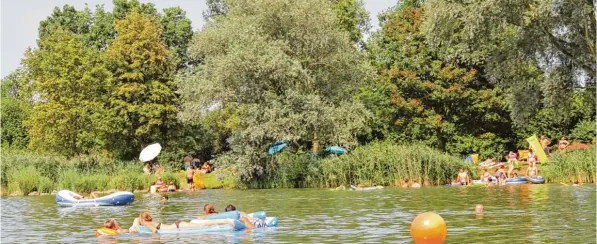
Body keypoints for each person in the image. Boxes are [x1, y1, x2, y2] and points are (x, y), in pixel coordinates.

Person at [132, 211, 233, 234]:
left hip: (177, 227)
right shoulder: (151, 221)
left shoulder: (146, 223)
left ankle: (225, 221)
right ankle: (224, 222)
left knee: (202, 225)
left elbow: (154, 231)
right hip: (177, 225)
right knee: (201, 225)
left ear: (142, 220)